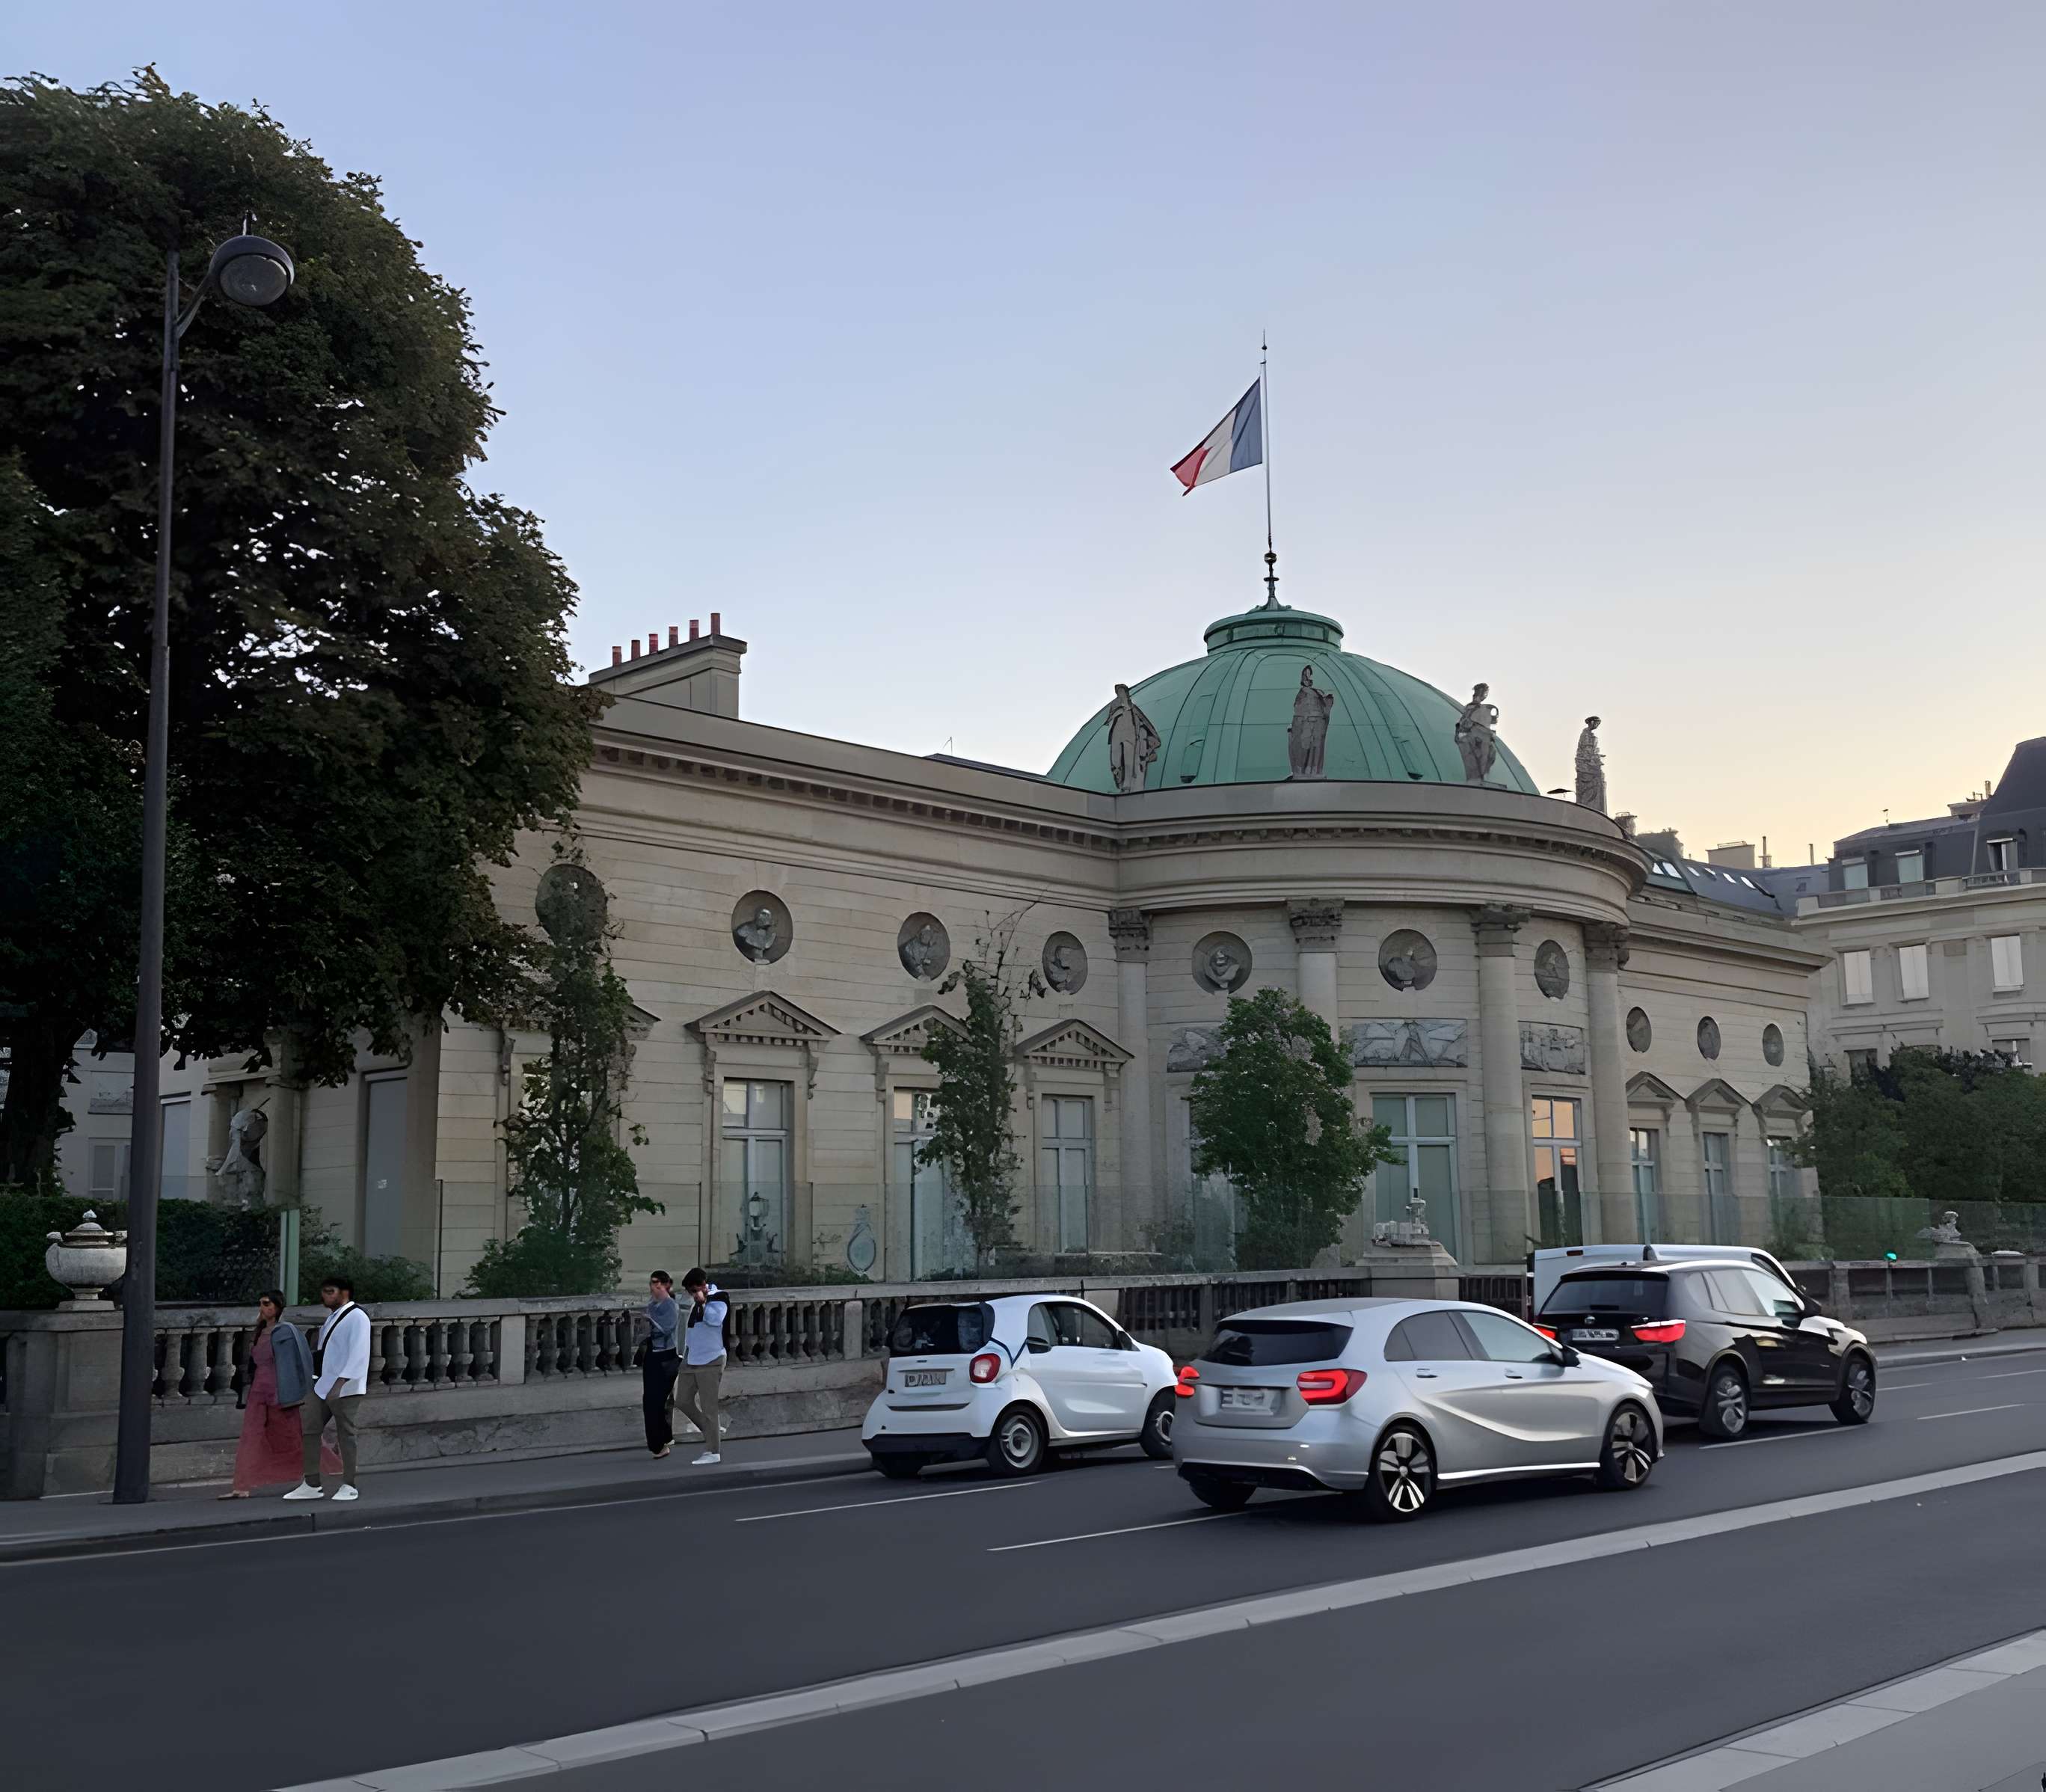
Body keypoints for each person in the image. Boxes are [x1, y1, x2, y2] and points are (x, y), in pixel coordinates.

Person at [223, 1290, 340, 1497]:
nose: (263, 1308)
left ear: (277, 1307)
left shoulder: (286, 1331)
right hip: (259, 1392)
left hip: (281, 1393)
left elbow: (298, 1363)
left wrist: (299, 1392)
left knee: (293, 1436)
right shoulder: (259, 1332)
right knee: (251, 1436)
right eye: (261, 1304)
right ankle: (241, 1486)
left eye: (267, 1304)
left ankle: (322, 1470)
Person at [283, 1274, 369, 1502]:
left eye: (330, 1291)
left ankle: (349, 1484)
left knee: (346, 1434)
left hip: (346, 1387)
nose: (325, 1296)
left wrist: (340, 1383)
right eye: (324, 1291)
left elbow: (359, 1353)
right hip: (323, 1385)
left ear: (345, 1293)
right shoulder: (333, 1318)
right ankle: (311, 1483)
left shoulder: (357, 1317)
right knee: (310, 1430)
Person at [675, 1268, 729, 1465]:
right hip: (691, 1358)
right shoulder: (691, 1301)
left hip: (711, 1358)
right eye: (689, 1291)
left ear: (703, 1285)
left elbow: (716, 1320)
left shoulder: (719, 1297)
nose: (691, 1293)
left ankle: (713, 1451)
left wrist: (703, 1302)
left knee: (709, 1407)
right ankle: (711, 1430)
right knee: (682, 1400)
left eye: (693, 1289)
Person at [642, 1270, 682, 1458]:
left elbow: (667, 1329)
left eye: (659, 1284)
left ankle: (658, 1445)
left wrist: (651, 1321)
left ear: (666, 1285)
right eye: (652, 1283)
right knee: (651, 1399)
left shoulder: (670, 1306)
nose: (655, 1287)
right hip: (652, 1354)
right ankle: (665, 1436)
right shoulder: (651, 1305)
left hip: (667, 1357)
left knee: (655, 1401)